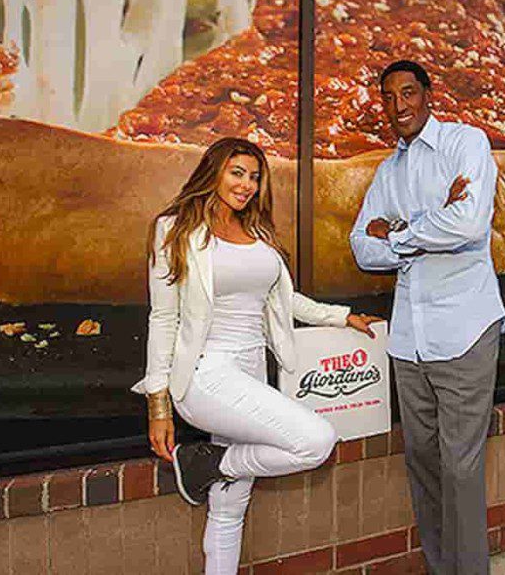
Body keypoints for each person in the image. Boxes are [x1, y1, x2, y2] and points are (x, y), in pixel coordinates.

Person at [132, 137, 381, 575]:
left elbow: (286, 302)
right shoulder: (174, 230)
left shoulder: (259, 235)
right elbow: (162, 318)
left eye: (253, 176)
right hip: (205, 375)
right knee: (315, 441)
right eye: (236, 172)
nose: (246, 185)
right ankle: (205, 462)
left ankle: (214, 471)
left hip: (251, 373)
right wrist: (158, 404)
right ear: (213, 172)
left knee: (230, 505)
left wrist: (342, 317)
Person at [349, 60, 505, 575]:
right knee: (423, 465)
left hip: (465, 329)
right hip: (409, 340)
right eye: (390, 97)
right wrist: (425, 230)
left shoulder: (467, 143)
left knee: (460, 469)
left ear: (429, 94)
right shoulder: (387, 172)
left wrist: (397, 233)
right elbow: (358, 247)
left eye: (409, 93)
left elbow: (467, 222)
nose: (400, 106)